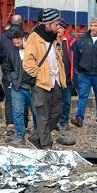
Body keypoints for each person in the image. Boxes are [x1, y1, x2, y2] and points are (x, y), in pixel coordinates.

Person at [22, 8, 66, 149]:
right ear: (47, 24)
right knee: (43, 116)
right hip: (42, 84)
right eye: (55, 24)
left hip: (56, 82)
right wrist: (40, 75)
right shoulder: (34, 38)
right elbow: (27, 63)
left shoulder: (53, 37)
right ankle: (47, 145)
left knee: (56, 114)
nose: (57, 26)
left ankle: (35, 138)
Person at [71, 17, 97, 130]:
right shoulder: (83, 38)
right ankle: (79, 119)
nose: (93, 28)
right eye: (91, 25)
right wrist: (77, 69)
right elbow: (77, 54)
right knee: (83, 96)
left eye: (95, 25)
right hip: (84, 73)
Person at [0, 14, 26, 134]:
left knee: (9, 98)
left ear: (11, 23)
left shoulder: (2, 37)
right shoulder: (25, 36)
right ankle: (23, 123)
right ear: (21, 23)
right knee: (24, 97)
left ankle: (10, 123)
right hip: (23, 72)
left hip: (7, 72)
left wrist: (4, 62)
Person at [4, 30, 35, 143]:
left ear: (23, 39)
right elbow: (6, 68)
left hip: (32, 86)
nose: (16, 45)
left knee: (36, 112)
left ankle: (38, 134)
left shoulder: (32, 49)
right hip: (17, 86)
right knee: (17, 112)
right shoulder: (11, 51)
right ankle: (19, 135)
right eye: (14, 43)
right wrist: (12, 79)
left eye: (18, 43)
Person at [56, 22, 77, 130]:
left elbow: (76, 58)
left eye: (60, 28)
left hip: (67, 77)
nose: (58, 30)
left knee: (67, 101)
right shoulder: (52, 42)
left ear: (64, 29)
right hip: (55, 77)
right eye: (56, 28)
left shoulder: (71, 41)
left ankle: (64, 121)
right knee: (55, 101)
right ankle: (55, 122)